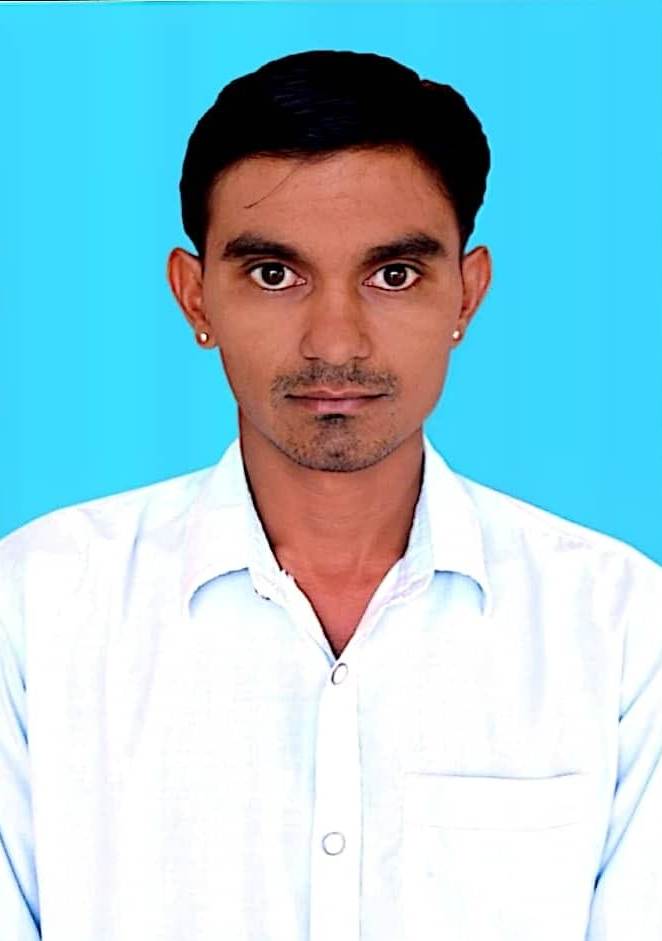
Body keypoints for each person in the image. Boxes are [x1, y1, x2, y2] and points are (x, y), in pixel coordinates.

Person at [1, 49, 660, 941]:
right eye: (275, 273)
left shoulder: (621, 628)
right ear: (195, 297)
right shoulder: (34, 609)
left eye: (394, 274)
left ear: (467, 294)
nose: (335, 342)